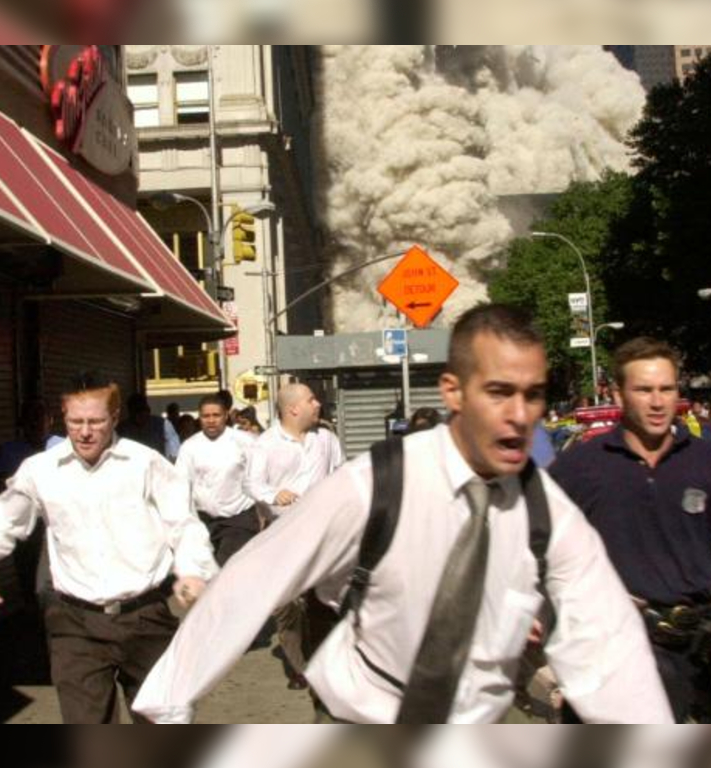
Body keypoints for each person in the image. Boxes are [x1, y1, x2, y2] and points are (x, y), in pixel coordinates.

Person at [132, 305, 671, 723]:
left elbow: (610, 647)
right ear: (453, 392)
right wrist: (171, 700)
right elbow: (253, 581)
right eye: (499, 392)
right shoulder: (376, 486)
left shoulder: (545, 511)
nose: (519, 415)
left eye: (533, 395)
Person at [0, 372, 218, 723]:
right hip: (74, 623)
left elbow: (183, 523)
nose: (85, 431)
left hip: (144, 618)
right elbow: (4, 519)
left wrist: (192, 570)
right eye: (75, 422)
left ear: (114, 418)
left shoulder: (146, 463)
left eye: (95, 421)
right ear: (63, 418)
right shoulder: (40, 470)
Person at [549, 337, 711, 722]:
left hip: (700, 651)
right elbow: (534, 547)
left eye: (666, 389)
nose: (657, 402)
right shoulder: (580, 468)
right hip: (617, 654)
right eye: (644, 390)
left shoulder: (705, 462)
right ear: (619, 397)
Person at [245, 382, 345, 690]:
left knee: (325, 600)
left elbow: (340, 474)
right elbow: (251, 483)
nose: (318, 404)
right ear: (293, 409)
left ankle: (329, 663)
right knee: (288, 607)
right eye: (312, 399)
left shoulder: (326, 439)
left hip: (322, 533)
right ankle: (300, 667)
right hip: (283, 533)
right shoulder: (266, 444)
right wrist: (275, 494)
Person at [176, 395, 259, 567]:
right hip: (204, 521)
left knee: (228, 567)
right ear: (199, 417)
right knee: (207, 571)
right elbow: (180, 485)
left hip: (238, 518)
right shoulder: (189, 447)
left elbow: (259, 477)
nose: (211, 421)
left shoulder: (245, 441)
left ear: (226, 415)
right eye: (206, 416)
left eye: (216, 415)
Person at [119, 392, 181, 462]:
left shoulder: (163, 424)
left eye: (141, 412)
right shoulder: (122, 428)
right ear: (130, 413)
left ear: (147, 411)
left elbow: (174, 452)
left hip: (157, 468)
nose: (138, 417)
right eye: (135, 413)